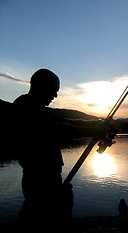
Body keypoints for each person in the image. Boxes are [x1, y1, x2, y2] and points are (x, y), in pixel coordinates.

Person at [12, 68, 117, 230]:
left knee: (48, 211)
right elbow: (57, 128)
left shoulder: (36, 107)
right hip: (39, 178)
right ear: (41, 86)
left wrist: (97, 123)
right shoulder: (25, 107)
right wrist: (93, 131)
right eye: (54, 90)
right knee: (45, 216)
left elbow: (65, 121)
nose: (55, 96)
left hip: (47, 176)